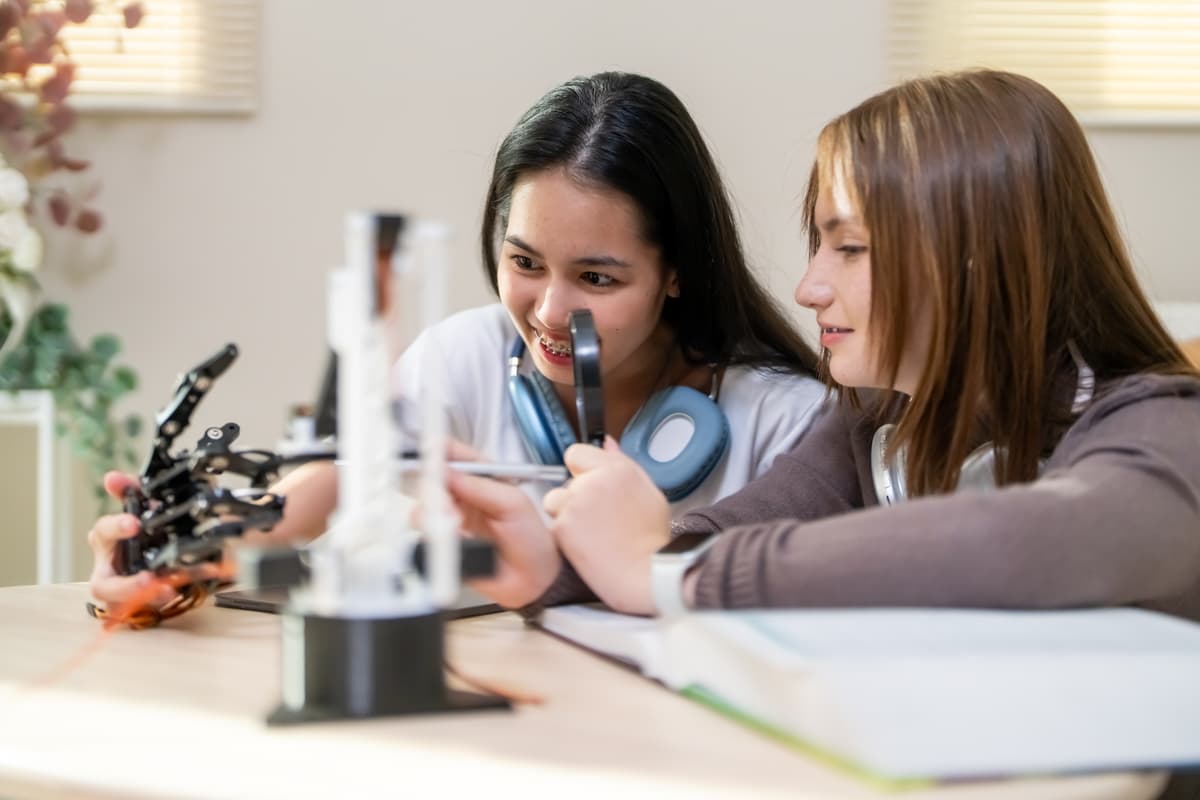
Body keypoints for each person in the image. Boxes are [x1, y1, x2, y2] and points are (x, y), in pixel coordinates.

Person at [448, 69, 1200, 622]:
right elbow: (721, 533)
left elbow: (1023, 543)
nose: (809, 288)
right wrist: (556, 563)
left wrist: (662, 577)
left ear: (972, 260)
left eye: (851, 248)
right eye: (818, 246)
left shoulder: (1163, 431)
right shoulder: (872, 423)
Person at [86, 71, 827, 610]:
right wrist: (168, 559)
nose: (548, 312)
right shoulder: (462, 357)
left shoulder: (787, 421)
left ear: (676, 273)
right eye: (525, 263)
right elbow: (299, 506)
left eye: (597, 280)